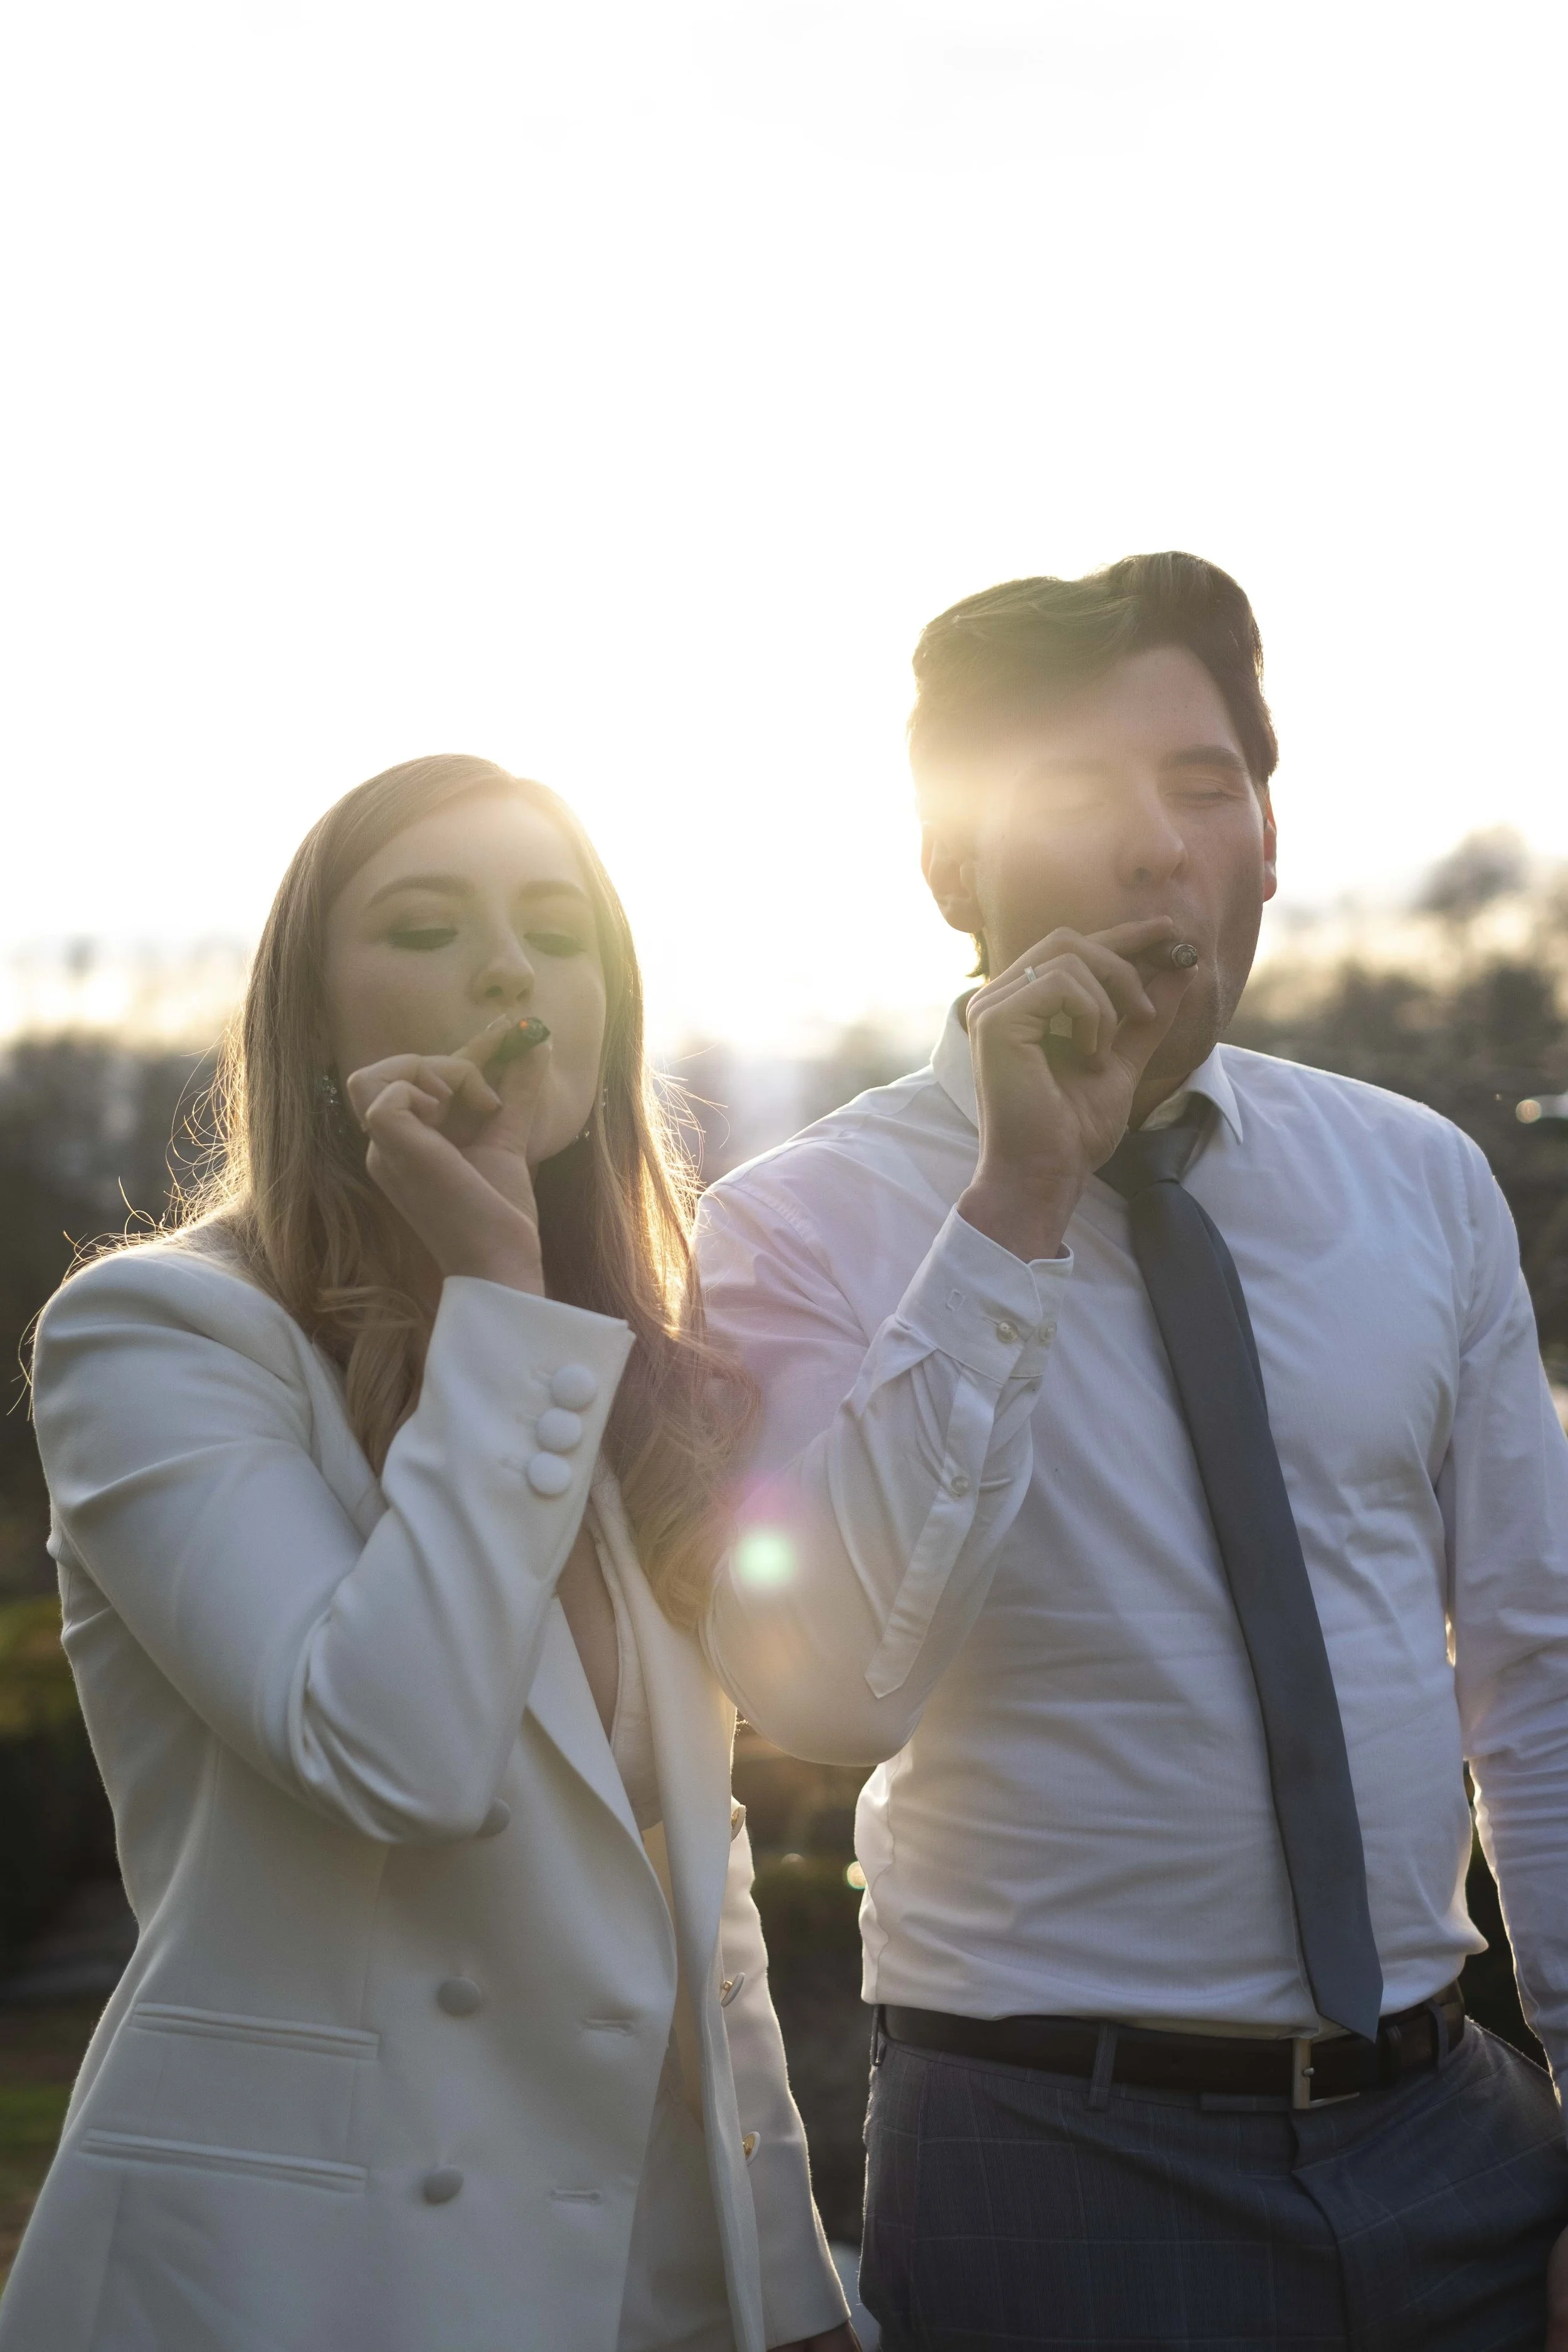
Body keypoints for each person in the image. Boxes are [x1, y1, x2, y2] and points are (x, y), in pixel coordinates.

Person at [695, 556, 1568, 2349]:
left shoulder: (1416, 1182)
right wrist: (1014, 1203)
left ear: (1262, 836)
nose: (1158, 847)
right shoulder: (792, 1229)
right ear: (951, 864)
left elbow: (1538, 1671)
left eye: (1200, 785)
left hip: (1453, 2142)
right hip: (1052, 2161)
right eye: (1072, 796)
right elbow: (825, 1680)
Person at [5, 756, 855, 2352]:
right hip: (313, 2287)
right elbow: (394, 1756)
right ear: (313, 1022)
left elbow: (688, 1887)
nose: (504, 970)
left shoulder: (616, 1361)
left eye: (554, 928)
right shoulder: (160, 1334)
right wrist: (495, 1295)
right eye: (422, 924)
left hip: (659, 2279)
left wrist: (789, 2286)